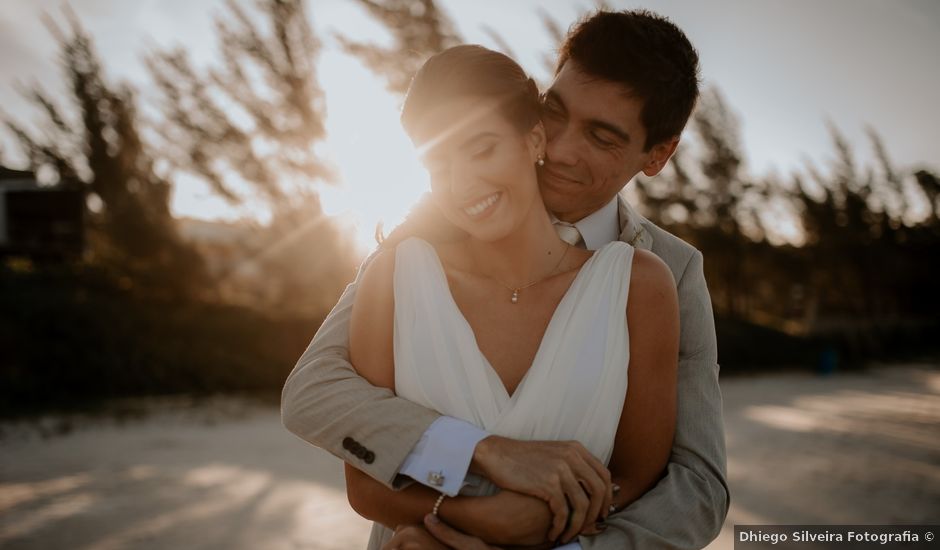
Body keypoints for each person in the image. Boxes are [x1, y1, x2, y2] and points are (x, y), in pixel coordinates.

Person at [282, 9, 728, 549]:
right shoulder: (413, 246)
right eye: (555, 113)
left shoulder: (665, 275)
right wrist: (478, 460)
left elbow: (696, 485)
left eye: (602, 137)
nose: (560, 149)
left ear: (657, 155)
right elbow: (314, 392)